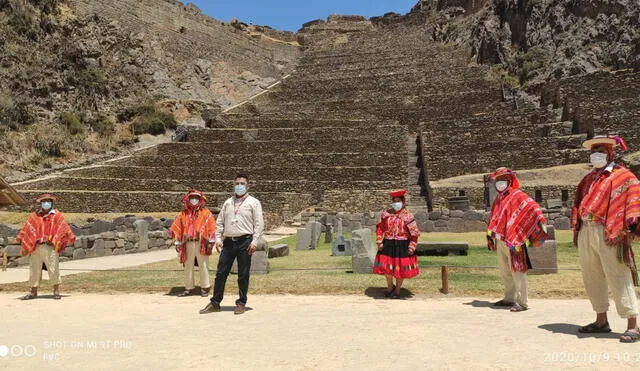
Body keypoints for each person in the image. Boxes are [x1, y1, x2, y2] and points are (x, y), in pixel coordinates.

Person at [572, 135, 640, 343]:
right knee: (592, 276)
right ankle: (601, 320)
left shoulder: (623, 176)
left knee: (618, 275)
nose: (596, 155)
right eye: (593, 152)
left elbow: (634, 197)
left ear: (610, 153)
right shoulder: (588, 179)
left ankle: (633, 325)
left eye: (600, 151)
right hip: (587, 229)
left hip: (610, 232)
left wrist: (627, 224)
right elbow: (578, 202)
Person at [200, 171, 264, 315]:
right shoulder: (228, 202)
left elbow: (259, 223)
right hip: (228, 242)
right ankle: (215, 302)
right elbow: (220, 222)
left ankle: (241, 302)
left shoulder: (253, 203)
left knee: (243, 274)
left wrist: (254, 241)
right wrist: (217, 239)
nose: (239, 186)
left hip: (245, 241)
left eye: (242, 184)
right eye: (237, 184)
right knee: (221, 273)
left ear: (249, 186)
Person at [487, 167, 548, 312]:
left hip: (515, 240)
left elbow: (533, 207)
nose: (499, 183)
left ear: (509, 180)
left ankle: (522, 301)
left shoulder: (518, 195)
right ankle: (509, 297)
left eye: (502, 180)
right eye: (497, 180)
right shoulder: (499, 199)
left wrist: (538, 222)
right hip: (501, 238)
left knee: (518, 270)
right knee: (504, 270)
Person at [16, 193, 76, 300]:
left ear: (51, 203)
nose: (46, 203)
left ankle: (56, 291)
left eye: (48, 201)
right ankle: (33, 292)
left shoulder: (57, 216)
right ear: (41, 203)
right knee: (34, 269)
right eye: (44, 202)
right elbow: (28, 229)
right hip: (36, 247)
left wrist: (54, 240)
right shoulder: (35, 216)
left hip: (51, 247)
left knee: (53, 268)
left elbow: (63, 229)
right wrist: (24, 239)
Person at [169, 188, 217, 297]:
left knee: (203, 265)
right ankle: (188, 287)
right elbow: (178, 228)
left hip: (202, 242)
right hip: (188, 243)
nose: (194, 200)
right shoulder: (183, 214)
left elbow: (212, 228)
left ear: (200, 199)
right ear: (188, 199)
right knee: (188, 266)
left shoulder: (206, 213)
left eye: (196, 198)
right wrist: (178, 242)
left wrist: (211, 242)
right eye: (192, 198)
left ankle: (205, 287)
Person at [373, 189, 420, 299]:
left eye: (398, 200)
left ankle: (397, 290)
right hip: (388, 243)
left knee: (400, 269)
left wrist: (412, 246)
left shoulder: (408, 216)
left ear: (403, 202)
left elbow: (414, 234)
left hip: (402, 245)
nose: (396, 203)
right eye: (394, 201)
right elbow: (380, 228)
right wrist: (379, 240)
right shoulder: (386, 214)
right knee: (386, 268)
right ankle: (390, 287)